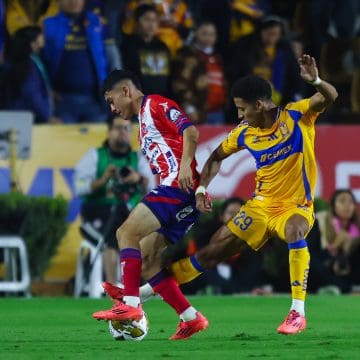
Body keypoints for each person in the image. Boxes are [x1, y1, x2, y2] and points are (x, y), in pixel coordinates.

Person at [171, 54, 338, 334]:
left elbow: (330, 97)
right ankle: (144, 293)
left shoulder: (297, 114)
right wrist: (201, 188)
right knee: (212, 251)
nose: (239, 116)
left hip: (294, 206)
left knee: (296, 232)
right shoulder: (244, 132)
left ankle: (297, 313)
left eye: (241, 109)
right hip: (260, 208)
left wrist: (317, 81)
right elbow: (214, 158)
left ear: (259, 105)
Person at [92, 69, 209, 340]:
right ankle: (191, 318)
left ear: (126, 91)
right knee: (147, 260)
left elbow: (190, 131)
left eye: (112, 101)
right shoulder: (142, 123)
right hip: (184, 195)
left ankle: (130, 305)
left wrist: (184, 169)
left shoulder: (155, 104)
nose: (112, 108)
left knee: (125, 233)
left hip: (176, 187)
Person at [74, 115, 154, 284]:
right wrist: (101, 181)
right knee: (114, 236)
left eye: (127, 129)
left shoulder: (137, 158)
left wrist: (138, 179)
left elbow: (152, 188)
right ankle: (114, 289)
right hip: (97, 213)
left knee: (151, 234)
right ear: (109, 131)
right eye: (118, 128)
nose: (123, 132)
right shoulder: (95, 156)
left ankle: (144, 285)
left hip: (127, 212)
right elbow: (79, 187)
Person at [42, 0, 108, 123]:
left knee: (97, 141)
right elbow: (42, 62)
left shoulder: (96, 23)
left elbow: (107, 57)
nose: (74, 1)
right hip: (63, 101)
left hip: (95, 99)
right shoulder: (48, 25)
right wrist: (48, 89)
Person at [4, 26, 56, 123]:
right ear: (33, 43)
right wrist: (47, 116)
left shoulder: (12, 62)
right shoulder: (28, 65)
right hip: (29, 118)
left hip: (13, 114)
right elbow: (32, 94)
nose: (44, 38)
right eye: (41, 36)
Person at [121, 4, 171, 96]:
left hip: (162, 100)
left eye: (154, 20)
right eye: (147, 19)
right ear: (137, 22)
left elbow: (168, 77)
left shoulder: (162, 46)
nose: (151, 24)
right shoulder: (128, 45)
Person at [316, 189, 360, 293]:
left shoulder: (357, 228)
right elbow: (316, 255)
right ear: (333, 206)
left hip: (349, 272)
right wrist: (335, 245)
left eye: (351, 202)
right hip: (327, 266)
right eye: (342, 201)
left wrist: (348, 248)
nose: (347, 205)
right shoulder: (321, 222)